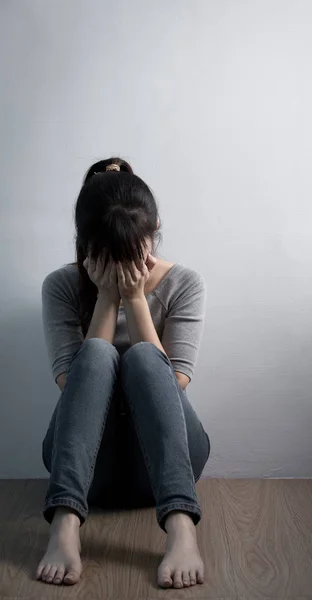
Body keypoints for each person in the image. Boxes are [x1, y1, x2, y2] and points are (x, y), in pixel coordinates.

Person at [36, 157, 210, 589]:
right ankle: (64, 523)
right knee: (95, 357)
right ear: (84, 245)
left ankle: (182, 525)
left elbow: (176, 384)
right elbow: (68, 382)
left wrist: (133, 298)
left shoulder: (184, 283)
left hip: (170, 465)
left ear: (153, 234)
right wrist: (105, 299)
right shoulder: (60, 285)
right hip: (87, 471)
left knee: (143, 358)